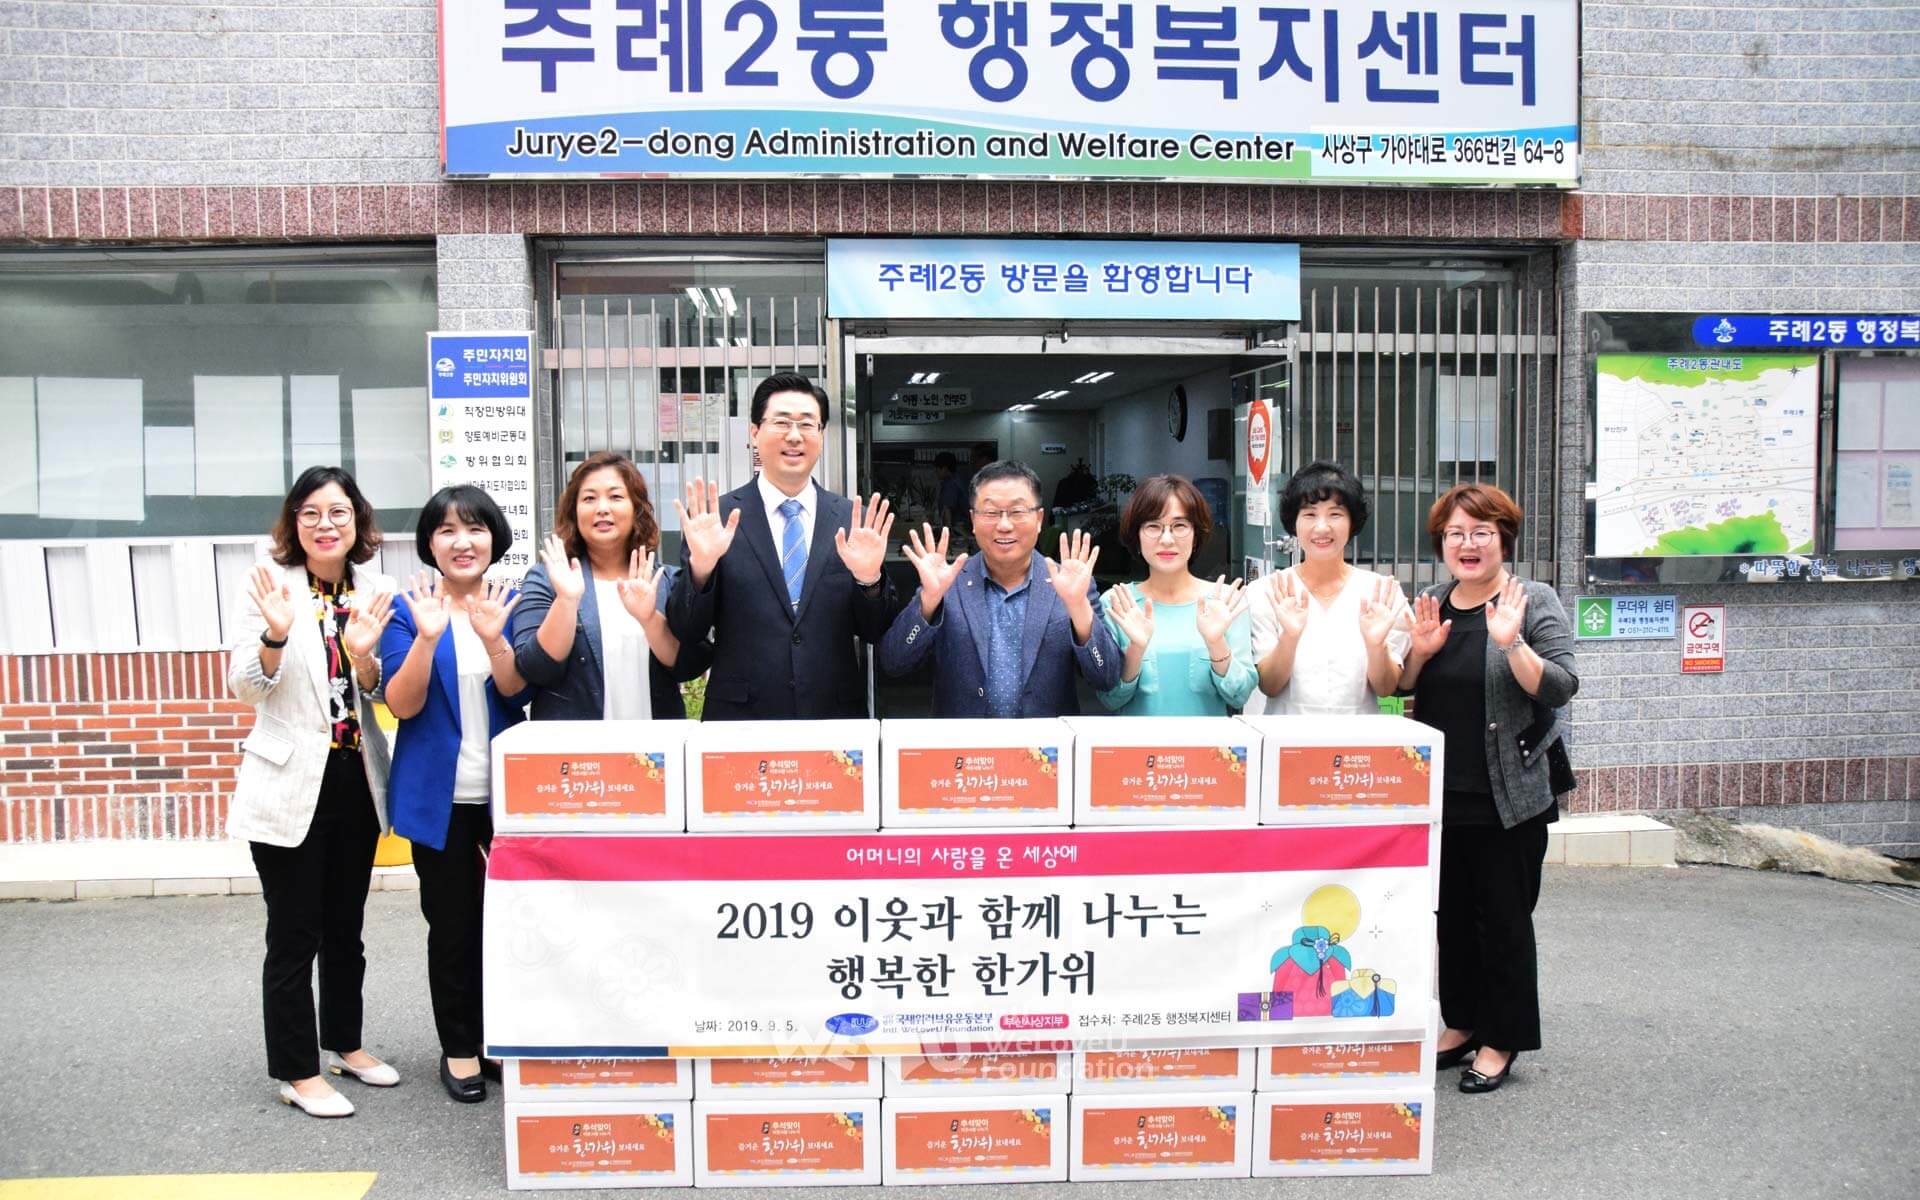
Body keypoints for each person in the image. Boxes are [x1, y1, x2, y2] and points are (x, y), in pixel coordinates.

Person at [226, 466, 397, 1119]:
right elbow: (246, 687)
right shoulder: (269, 586)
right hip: (289, 777)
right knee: (295, 931)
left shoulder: (376, 589)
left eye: (339, 512)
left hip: (355, 778)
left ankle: (345, 1045)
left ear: (358, 521)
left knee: (345, 928)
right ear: (294, 523)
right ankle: (297, 1071)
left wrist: (365, 657)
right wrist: (274, 634)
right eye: (312, 514)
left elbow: (380, 691)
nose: (326, 525)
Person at [1399, 482, 1577, 1095]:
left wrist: (1512, 642)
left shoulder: (1532, 598)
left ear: (1504, 538)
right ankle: (1462, 1021)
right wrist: (1419, 654)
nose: (1467, 544)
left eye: (1481, 532)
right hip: (1441, 796)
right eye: (1455, 533)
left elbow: (1560, 685)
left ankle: (1501, 1038)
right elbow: (1403, 685)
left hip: (1510, 796)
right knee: (1450, 919)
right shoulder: (1432, 600)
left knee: (1503, 921)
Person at [380, 486, 531, 1103]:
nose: (462, 542)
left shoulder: (516, 602)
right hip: (439, 800)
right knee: (452, 927)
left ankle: (499, 1039)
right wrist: (425, 637)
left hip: (510, 797)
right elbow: (401, 702)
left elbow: (520, 691)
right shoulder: (406, 607)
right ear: (429, 544)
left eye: (474, 529)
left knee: (509, 925)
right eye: (446, 531)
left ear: (494, 537)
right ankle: (460, 1048)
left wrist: (494, 638)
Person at [666, 373, 901, 719]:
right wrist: (701, 570)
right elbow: (687, 629)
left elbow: (876, 630)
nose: (794, 435)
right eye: (781, 422)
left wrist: (869, 581)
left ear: (821, 435)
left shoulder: (854, 520)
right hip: (742, 721)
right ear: (754, 432)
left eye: (807, 424)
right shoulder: (716, 518)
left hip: (833, 719)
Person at [879, 460, 1121, 717]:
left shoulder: (1071, 584)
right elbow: (894, 662)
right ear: (973, 519)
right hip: (963, 742)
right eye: (991, 512)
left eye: (1017, 511)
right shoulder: (948, 582)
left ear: (1039, 519)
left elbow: (1106, 677)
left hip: (1045, 742)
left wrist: (1079, 608)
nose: (1004, 525)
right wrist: (928, 603)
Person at [510, 452, 710, 721]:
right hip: (573, 744)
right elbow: (534, 669)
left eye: (615, 497)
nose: (602, 508)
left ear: (636, 509)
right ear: (574, 511)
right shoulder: (547, 579)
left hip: (654, 744)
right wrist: (566, 601)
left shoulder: (664, 581)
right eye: (589, 498)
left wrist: (649, 619)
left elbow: (690, 665)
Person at [1248, 461, 1412, 715]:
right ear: (1294, 522)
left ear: (1352, 522)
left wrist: (1376, 645)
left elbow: (1385, 688)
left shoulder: (1381, 593)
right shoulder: (1266, 591)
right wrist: (1289, 637)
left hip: (1358, 736)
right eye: (1310, 515)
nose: (1322, 527)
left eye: (1335, 514)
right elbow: (1269, 685)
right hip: (1287, 733)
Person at [1096, 474, 1256, 716]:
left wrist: (1216, 643)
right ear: (1136, 535)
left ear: (1196, 535)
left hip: (1210, 741)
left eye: (1179, 526)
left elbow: (1240, 695)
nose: (1167, 539)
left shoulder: (1225, 602)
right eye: (1153, 526)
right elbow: (1110, 699)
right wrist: (1136, 650)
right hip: (1136, 741)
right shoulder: (1117, 603)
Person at [933, 451, 968, 530]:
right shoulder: (956, 480)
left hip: (958, 527)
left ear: (945, 469)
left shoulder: (951, 484)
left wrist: (947, 531)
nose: (936, 472)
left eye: (937, 469)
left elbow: (947, 510)